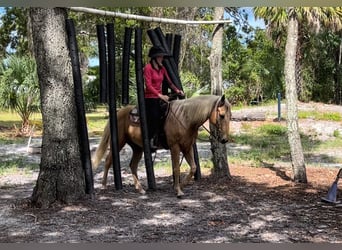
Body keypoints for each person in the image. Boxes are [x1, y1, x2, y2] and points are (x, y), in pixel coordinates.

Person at [143, 46, 184, 151]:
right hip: (150, 97)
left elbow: (169, 82)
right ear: (154, 58)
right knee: (155, 116)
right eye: (160, 57)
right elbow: (148, 85)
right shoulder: (148, 68)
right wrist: (160, 95)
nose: (162, 58)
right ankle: (150, 139)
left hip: (159, 97)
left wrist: (177, 90)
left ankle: (165, 136)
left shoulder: (162, 69)